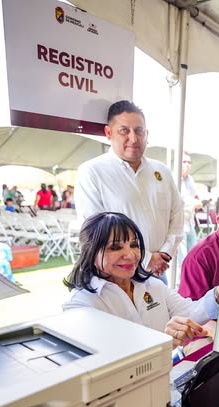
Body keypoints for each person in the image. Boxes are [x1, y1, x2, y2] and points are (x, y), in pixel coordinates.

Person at [62, 212, 219, 345]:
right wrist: (164, 339)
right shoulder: (81, 304)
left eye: (134, 245)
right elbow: (107, 360)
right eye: (115, 248)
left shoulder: (152, 285)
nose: (131, 255)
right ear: (91, 252)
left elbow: (189, 312)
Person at [75, 100, 183, 280]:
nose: (133, 138)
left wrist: (165, 253)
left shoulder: (162, 171)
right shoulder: (92, 171)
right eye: (124, 130)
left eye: (139, 131)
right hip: (115, 276)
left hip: (157, 272)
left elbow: (177, 213)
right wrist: (146, 258)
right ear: (108, 133)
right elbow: (93, 230)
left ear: (146, 134)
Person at [179, 152, 200, 252]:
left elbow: (195, 196)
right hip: (179, 223)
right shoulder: (174, 179)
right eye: (184, 162)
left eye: (189, 162)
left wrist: (198, 201)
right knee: (182, 256)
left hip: (190, 221)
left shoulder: (190, 179)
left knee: (194, 252)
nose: (187, 164)